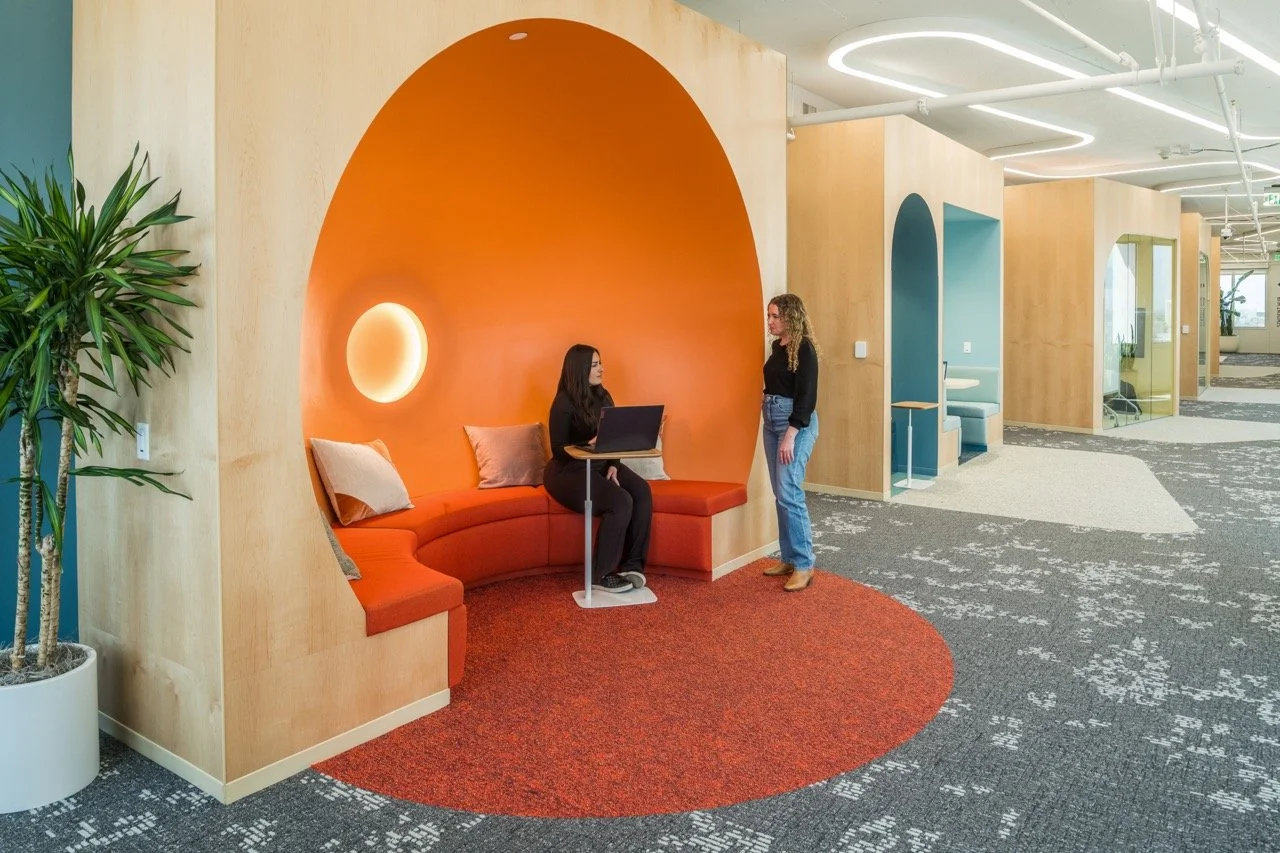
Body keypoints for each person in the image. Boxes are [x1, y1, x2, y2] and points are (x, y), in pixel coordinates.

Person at [543, 344, 653, 593]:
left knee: (641, 491)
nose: (601, 369)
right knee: (620, 501)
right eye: (595, 365)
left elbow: (614, 436)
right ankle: (600, 575)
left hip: (601, 463)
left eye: (600, 363)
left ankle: (632, 566)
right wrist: (587, 444)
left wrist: (613, 464)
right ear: (580, 368)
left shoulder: (604, 396)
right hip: (568, 471)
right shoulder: (563, 403)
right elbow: (558, 449)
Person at [760, 294, 820, 591]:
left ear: (790, 317)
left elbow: (807, 397)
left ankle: (804, 564)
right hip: (771, 422)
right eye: (768, 316)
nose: (769, 321)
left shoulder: (804, 349)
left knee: (789, 493)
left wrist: (791, 435)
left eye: (775, 316)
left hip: (794, 425)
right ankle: (789, 557)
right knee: (780, 493)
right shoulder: (777, 347)